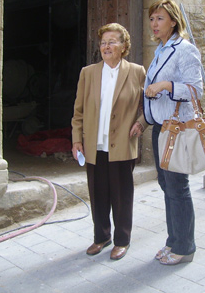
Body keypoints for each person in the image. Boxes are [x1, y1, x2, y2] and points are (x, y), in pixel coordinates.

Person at [71, 22, 147, 261]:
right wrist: (76, 140)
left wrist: (142, 123)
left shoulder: (136, 71)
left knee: (122, 195)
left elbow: (149, 104)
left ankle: (122, 240)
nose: (106, 46)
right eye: (103, 42)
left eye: (112, 42)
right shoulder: (88, 73)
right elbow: (79, 111)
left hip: (122, 143)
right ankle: (101, 237)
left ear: (123, 46)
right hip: (94, 145)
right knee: (98, 193)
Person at [143, 0, 203, 265]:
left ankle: (185, 247)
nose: (154, 24)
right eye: (152, 19)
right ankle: (173, 240)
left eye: (160, 19)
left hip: (177, 129)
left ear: (174, 21)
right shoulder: (160, 50)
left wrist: (166, 85)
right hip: (161, 128)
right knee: (166, 185)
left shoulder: (185, 50)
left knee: (177, 187)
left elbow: (194, 90)